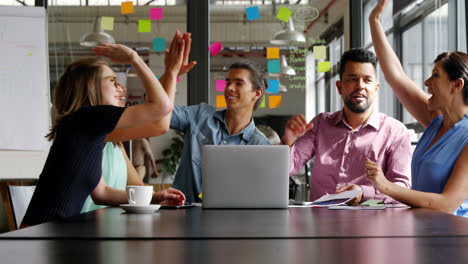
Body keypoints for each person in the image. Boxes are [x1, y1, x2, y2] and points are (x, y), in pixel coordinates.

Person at [21, 32, 187, 227]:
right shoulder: (87, 118)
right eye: (113, 82)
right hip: (40, 238)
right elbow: (162, 107)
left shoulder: (88, 131)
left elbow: (102, 193)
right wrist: (134, 58)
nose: (122, 89)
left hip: (51, 235)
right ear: (91, 86)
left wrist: (156, 197)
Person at [366, 0, 468, 216]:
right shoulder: (436, 121)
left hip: (456, 241)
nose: (427, 82)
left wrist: (386, 186)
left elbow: (447, 204)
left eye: (436, 75)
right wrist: (374, 21)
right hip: (426, 232)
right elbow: (396, 76)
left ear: (456, 85)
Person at [282, 48, 412, 204]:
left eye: (367, 80)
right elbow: (288, 169)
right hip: (320, 223)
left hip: (372, 224)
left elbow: (402, 189)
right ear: (339, 87)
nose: (360, 86)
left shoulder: (395, 132)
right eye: (352, 79)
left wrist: (364, 192)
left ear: (376, 89)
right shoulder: (320, 124)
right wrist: (288, 139)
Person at [148, 60, 271, 202]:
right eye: (228, 82)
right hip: (181, 217)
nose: (229, 87)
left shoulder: (261, 145)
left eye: (238, 83)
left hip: (231, 221)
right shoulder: (200, 115)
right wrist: (171, 72)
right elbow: (155, 108)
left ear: (256, 93)